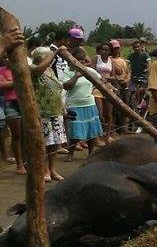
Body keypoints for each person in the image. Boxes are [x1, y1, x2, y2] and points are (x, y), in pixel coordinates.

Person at [29, 46, 67, 181]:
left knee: (55, 142)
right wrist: (55, 52)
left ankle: (52, 169)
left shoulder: (50, 70)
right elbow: (39, 69)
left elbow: (57, 89)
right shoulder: (33, 69)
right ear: (40, 58)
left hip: (55, 111)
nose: (50, 59)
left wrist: (63, 107)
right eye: (47, 56)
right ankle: (44, 169)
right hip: (42, 112)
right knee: (45, 143)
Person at [62, 48, 104, 159]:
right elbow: (66, 86)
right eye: (78, 60)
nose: (80, 62)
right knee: (75, 131)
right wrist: (76, 75)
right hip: (74, 104)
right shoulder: (67, 71)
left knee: (91, 131)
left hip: (89, 103)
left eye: (82, 60)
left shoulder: (89, 71)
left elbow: (100, 81)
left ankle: (91, 153)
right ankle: (70, 153)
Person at [0, 57, 24, 173]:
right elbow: (2, 85)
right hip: (10, 103)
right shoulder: (2, 70)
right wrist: (17, 82)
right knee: (16, 135)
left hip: (24, 102)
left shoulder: (21, 69)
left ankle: (26, 161)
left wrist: (11, 83)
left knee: (27, 134)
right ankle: (19, 165)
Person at [94, 43, 116, 143]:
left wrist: (106, 78)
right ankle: (98, 136)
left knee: (108, 113)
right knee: (99, 113)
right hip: (97, 88)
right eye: (103, 49)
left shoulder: (111, 61)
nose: (105, 51)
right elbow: (91, 71)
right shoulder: (96, 59)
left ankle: (107, 135)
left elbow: (113, 76)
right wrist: (99, 78)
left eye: (107, 50)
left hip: (108, 88)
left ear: (110, 51)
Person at [128, 40, 151, 115]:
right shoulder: (130, 56)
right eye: (135, 47)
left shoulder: (145, 55)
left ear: (141, 47)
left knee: (143, 92)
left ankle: (144, 108)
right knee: (132, 95)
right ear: (133, 48)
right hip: (133, 78)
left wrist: (147, 69)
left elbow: (149, 65)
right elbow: (128, 66)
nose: (137, 48)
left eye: (138, 46)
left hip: (143, 78)